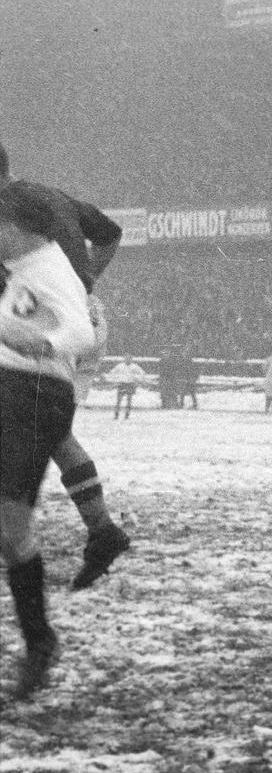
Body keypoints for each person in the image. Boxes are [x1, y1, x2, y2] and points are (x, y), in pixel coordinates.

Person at [0, 144, 132, 588]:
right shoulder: (48, 197)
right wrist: (85, 279)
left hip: (47, 325)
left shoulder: (10, 216)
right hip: (80, 314)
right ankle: (103, 531)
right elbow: (111, 232)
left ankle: (95, 532)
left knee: (34, 422)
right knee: (54, 432)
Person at [0, 187, 97, 698]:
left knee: (11, 517)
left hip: (33, 395)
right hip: (9, 389)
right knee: (8, 525)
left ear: (16, 227)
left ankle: (40, 642)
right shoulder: (21, 268)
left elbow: (80, 331)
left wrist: (44, 343)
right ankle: (38, 639)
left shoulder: (52, 270)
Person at [106, 355, 146, 420]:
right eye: (126, 359)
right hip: (122, 384)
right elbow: (112, 372)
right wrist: (116, 379)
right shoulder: (120, 366)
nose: (128, 360)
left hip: (130, 384)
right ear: (124, 359)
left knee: (129, 400)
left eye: (129, 359)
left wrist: (136, 378)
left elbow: (142, 373)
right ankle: (116, 414)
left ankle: (127, 415)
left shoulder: (134, 367)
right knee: (119, 400)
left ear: (131, 359)